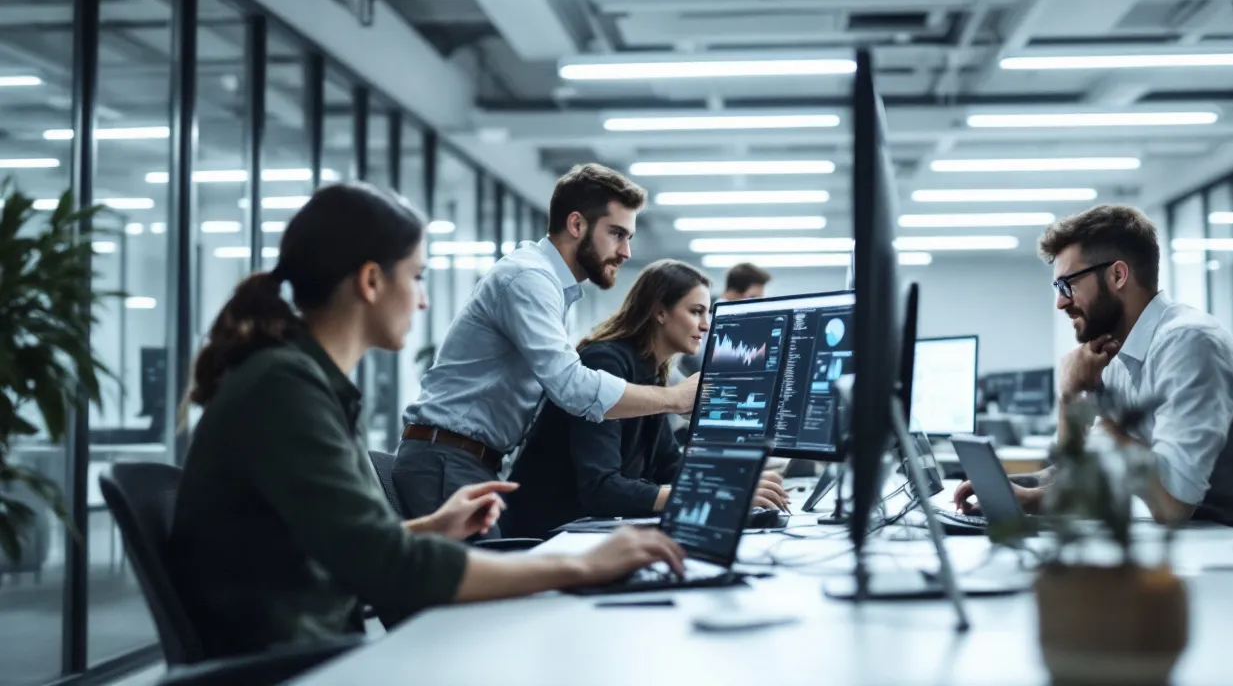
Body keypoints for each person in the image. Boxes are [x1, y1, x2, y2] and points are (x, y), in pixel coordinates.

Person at [170, 182, 686, 659]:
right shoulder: (286, 389)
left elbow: (340, 548)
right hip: (291, 661)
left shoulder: (304, 383)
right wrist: (584, 564)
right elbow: (384, 565)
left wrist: (429, 527)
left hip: (311, 643)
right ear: (371, 281)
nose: (423, 298)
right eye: (416, 276)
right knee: (503, 643)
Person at [395, 164, 701, 533]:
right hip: (446, 459)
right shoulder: (529, 278)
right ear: (576, 225)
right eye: (617, 234)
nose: (626, 252)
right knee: (484, 586)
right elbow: (572, 387)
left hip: (467, 459)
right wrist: (674, 399)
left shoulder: (555, 289)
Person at [953, 204, 1233, 527]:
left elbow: (1172, 504)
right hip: (1199, 538)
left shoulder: (1190, 343)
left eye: (1067, 284)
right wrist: (1024, 486)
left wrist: (1085, 409)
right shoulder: (1118, 352)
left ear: (1117, 275)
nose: (1060, 302)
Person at [503, 260, 791, 538]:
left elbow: (668, 463)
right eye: (696, 311)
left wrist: (733, 481)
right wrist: (715, 493)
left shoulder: (648, 370)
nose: (706, 325)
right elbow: (601, 489)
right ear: (660, 312)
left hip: (583, 531)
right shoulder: (606, 362)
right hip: (547, 536)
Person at [675, 262, 772, 379]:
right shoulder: (707, 321)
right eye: (753, 297)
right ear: (732, 293)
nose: (757, 304)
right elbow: (700, 363)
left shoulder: (742, 321)